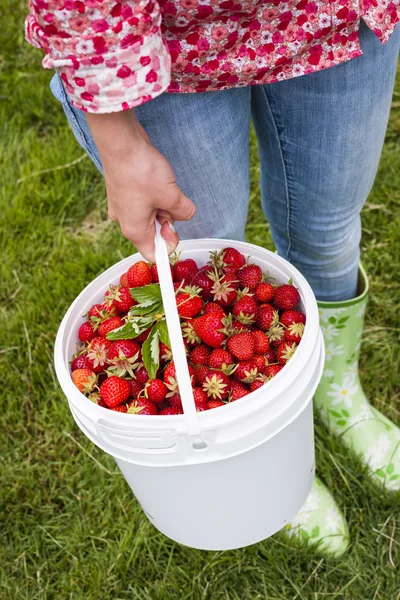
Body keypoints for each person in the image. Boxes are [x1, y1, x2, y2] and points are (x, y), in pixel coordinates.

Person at [26, 0, 400, 556]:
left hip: (328, 18)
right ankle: (264, 456)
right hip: (169, 43)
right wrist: (119, 140)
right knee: (199, 262)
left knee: (326, 231)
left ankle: (334, 388)